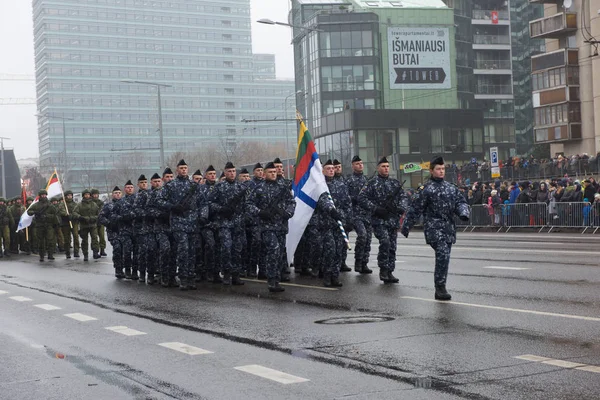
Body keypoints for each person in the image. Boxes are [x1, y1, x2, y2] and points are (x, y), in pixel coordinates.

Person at [401, 156, 470, 300]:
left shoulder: (451, 188)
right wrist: (406, 226)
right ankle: (440, 287)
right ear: (431, 171)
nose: (441, 171)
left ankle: (441, 284)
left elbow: (460, 202)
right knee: (443, 253)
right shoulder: (426, 189)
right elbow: (415, 209)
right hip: (434, 227)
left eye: (443, 169)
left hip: (448, 228)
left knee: (445, 257)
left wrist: (463, 213)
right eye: (438, 169)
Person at [246, 162, 295, 292]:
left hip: (281, 226)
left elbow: (291, 202)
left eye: (274, 172)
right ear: (264, 173)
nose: (273, 174)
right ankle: (271, 281)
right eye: (270, 172)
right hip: (266, 226)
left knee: (279, 254)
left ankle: (276, 280)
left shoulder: (283, 187)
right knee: (274, 249)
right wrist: (260, 212)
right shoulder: (259, 188)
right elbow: (249, 204)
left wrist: (288, 213)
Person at [358, 157, 409, 283]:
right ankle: (383, 269)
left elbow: (403, 197)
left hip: (392, 220)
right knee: (385, 242)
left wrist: (401, 208)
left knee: (392, 246)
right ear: (378, 168)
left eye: (387, 166)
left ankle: (390, 271)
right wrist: (375, 208)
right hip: (379, 220)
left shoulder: (395, 183)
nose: (386, 168)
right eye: (383, 166)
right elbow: (362, 198)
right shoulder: (371, 183)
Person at [157, 159, 197, 290]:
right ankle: (183, 278)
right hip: (178, 222)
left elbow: (203, 202)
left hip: (192, 222)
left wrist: (201, 216)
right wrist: (172, 207)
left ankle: (191, 277)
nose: (184, 170)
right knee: (183, 249)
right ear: (177, 170)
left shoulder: (194, 185)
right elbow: (159, 200)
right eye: (181, 168)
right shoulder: (171, 185)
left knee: (192, 250)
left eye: (185, 168)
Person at [208, 161, 246, 286]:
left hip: (238, 222)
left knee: (237, 249)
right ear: (225, 172)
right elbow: (210, 203)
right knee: (226, 248)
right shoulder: (219, 187)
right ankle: (226, 273)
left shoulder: (241, 187)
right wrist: (221, 209)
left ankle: (236, 275)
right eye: (229, 171)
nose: (232, 173)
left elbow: (247, 204)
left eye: (234, 171)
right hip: (224, 223)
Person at [345, 155, 372, 274]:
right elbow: (344, 196)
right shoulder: (349, 180)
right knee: (362, 235)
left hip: (367, 213)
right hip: (355, 214)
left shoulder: (367, 180)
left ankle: (364, 263)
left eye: (361, 163)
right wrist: (354, 199)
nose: (360, 165)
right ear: (353, 166)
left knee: (368, 239)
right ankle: (358, 261)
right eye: (357, 164)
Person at [99, 187, 125, 278]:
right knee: (117, 249)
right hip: (113, 231)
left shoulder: (125, 204)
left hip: (125, 231)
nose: (117, 194)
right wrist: (109, 224)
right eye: (115, 193)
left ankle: (127, 269)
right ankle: (118, 269)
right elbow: (101, 217)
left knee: (126, 250)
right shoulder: (108, 206)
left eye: (119, 193)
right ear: (112, 194)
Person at [27, 189, 59, 262]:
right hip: (40, 225)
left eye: (45, 195)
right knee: (41, 241)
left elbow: (55, 214)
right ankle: (41, 256)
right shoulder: (36, 205)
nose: (44, 196)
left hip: (49, 225)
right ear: (40, 196)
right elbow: (29, 211)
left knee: (50, 240)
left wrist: (47, 216)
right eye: (42, 195)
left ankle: (50, 254)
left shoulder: (50, 205)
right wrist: (35, 212)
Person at [133, 175, 152, 282]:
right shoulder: (137, 196)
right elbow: (136, 210)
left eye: (145, 182)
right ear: (138, 184)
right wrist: (147, 214)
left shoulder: (151, 194)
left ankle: (150, 274)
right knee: (142, 251)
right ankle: (142, 273)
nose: (144, 184)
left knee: (150, 251)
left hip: (151, 227)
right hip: (140, 228)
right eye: (142, 183)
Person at [73, 189, 100, 261]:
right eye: (85, 195)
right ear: (83, 196)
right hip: (84, 225)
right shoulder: (79, 205)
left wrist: (93, 218)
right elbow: (74, 213)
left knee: (94, 239)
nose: (87, 196)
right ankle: (85, 254)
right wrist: (80, 217)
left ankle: (95, 252)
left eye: (88, 194)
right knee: (84, 240)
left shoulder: (94, 204)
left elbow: (99, 214)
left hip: (93, 225)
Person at [59, 190, 80, 259]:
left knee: (76, 236)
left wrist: (72, 215)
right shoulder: (62, 204)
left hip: (74, 222)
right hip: (65, 223)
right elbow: (61, 211)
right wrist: (66, 215)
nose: (69, 197)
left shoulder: (75, 204)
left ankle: (76, 251)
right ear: (65, 196)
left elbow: (77, 211)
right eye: (68, 196)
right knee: (67, 239)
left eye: (70, 195)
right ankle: (67, 252)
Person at [90, 188, 107, 257]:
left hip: (100, 222)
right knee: (94, 237)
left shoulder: (101, 202)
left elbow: (103, 210)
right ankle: (95, 251)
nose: (95, 196)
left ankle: (102, 250)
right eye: (94, 194)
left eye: (96, 194)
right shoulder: (90, 203)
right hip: (93, 222)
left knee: (102, 237)